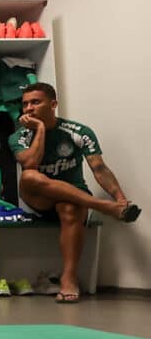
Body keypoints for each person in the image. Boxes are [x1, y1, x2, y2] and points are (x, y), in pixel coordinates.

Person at [10, 82, 140, 303]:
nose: (29, 108)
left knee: (70, 207)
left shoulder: (79, 132)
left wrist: (120, 200)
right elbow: (30, 164)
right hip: (39, 198)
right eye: (25, 104)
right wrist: (40, 129)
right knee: (30, 176)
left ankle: (69, 278)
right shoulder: (20, 136)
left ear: (53, 104)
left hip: (74, 198)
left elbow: (99, 168)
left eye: (35, 102)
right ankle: (102, 206)